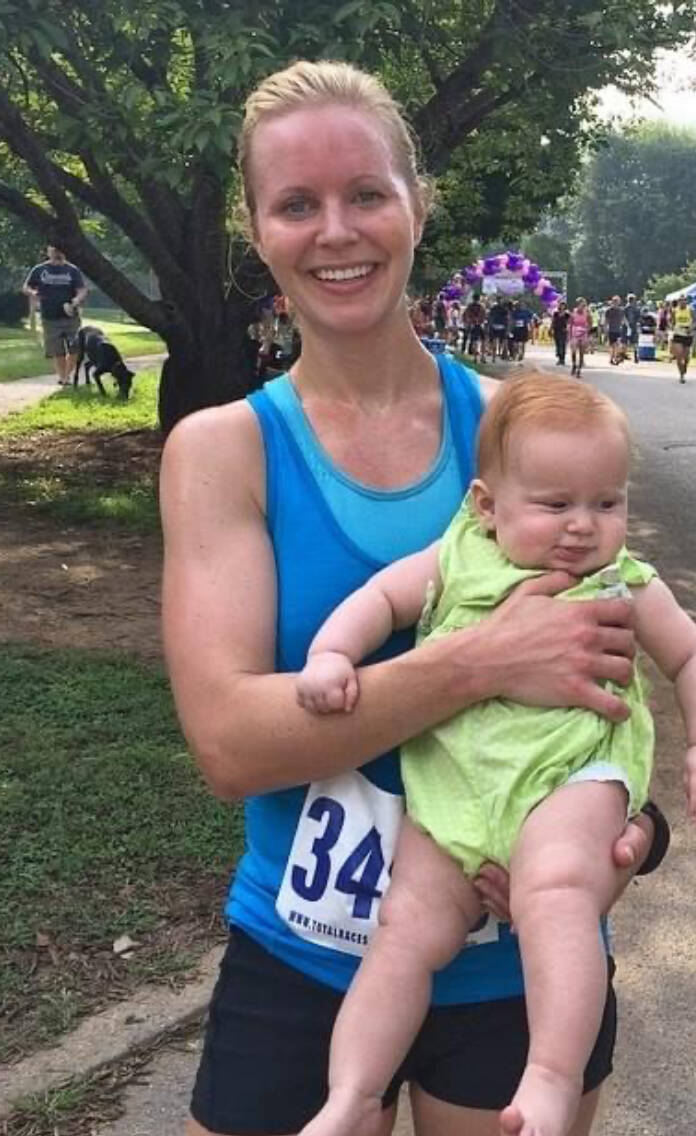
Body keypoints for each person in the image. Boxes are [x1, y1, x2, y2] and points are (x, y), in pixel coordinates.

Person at [160, 60, 665, 1136]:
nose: (336, 230)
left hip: (510, 965)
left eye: (367, 194)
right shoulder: (224, 451)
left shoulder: (524, 432)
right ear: (257, 230)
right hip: (301, 950)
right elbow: (231, 744)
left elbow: (619, 663)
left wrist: (637, 832)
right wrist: (481, 660)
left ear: (417, 205)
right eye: (297, 203)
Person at [295, 376, 696, 1136]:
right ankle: (351, 1095)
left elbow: (693, 656)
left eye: (607, 503)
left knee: (559, 892)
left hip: (570, 779)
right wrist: (333, 654)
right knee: (405, 931)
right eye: (555, 504)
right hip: (455, 790)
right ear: (485, 505)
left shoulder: (623, 580)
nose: (582, 527)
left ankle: (550, 1076)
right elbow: (382, 600)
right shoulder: (458, 556)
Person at [22, 244, 89, 385]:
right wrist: (33, 293)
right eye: (54, 250)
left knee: (75, 348)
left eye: (60, 250)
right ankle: (63, 378)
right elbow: (26, 286)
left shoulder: (72, 270)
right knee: (57, 350)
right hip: (50, 316)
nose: (57, 252)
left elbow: (82, 289)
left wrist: (75, 300)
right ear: (48, 251)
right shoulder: (39, 269)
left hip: (71, 316)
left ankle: (66, 375)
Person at [669, 296, 695, 384]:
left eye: (684, 301)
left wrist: (691, 328)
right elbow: (671, 321)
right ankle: (681, 375)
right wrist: (672, 328)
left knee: (686, 357)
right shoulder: (675, 310)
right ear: (678, 302)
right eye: (681, 301)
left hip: (687, 334)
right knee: (679, 356)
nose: (683, 302)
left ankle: (685, 368)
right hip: (678, 334)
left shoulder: (690, 310)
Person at [569, 297, 591, 377]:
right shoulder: (574, 313)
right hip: (575, 332)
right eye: (581, 305)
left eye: (584, 305)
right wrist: (570, 335)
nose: (583, 307)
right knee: (574, 350)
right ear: (578, 305)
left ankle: (579, 370)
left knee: (582, 352)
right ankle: (574, 364)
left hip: (583, 332)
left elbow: (590, 322)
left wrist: (587, 330)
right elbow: (570, 323)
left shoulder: (586, 313)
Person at [463, 292, 486, 360]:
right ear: (479, 299)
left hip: (472, 324)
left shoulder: (470, 306)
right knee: (483, 340)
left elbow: (467, 315)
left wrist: (469, 322)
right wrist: (480, 321)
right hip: (480, 324)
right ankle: (482, 357)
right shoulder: (481, 306)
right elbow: (483, 316)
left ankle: (475, 357)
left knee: (473, 340)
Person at [604, 296, 625, 364]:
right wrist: (605, 329)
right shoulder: (609, 310)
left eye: (617, 302)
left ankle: (615, 358)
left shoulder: (621, 310)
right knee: (612, 346)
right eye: (615, 302)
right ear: (613, 302)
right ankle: (611, 358)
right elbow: (606, 321)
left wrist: (626, 326)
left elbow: (623, 319)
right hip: (611, 330)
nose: (616, 303)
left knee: (617, 344)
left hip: (618, 330)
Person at [550, 302, 570, 366]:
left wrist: (568, 328)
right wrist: (550, 328)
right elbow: (553, 321)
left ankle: (562, 359)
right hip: (556, 330)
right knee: (558, 344)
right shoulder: (556, 313)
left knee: (563, 344)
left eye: (563, 306)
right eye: (561, 305)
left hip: (563, 331)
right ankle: (559, 357)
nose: (562, 307)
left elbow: (569, 322)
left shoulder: (567, 314)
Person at [623, 293, 641, 363]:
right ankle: (635, 355)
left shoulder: (625, 308)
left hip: (627, 326)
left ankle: (623, 355)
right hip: (633, 326)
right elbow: (639, 318)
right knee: (635, 342)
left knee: (625, 341)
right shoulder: (636, 308)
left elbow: (623, 317)